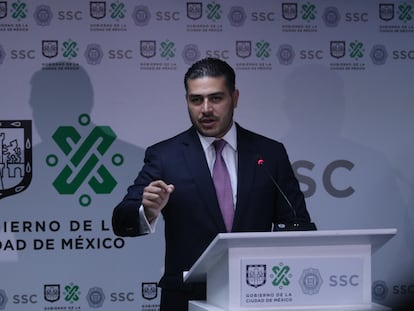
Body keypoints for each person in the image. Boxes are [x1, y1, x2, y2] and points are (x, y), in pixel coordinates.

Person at [112, 57, 315, 310]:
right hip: (186, 298)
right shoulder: (165, 156)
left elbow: (299, 224)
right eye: (196, 99)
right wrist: (147, 211)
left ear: (235, 98)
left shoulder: (269, 154)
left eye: (216, 98)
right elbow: (121, 219)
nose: (205, 109)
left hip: (260, 295)